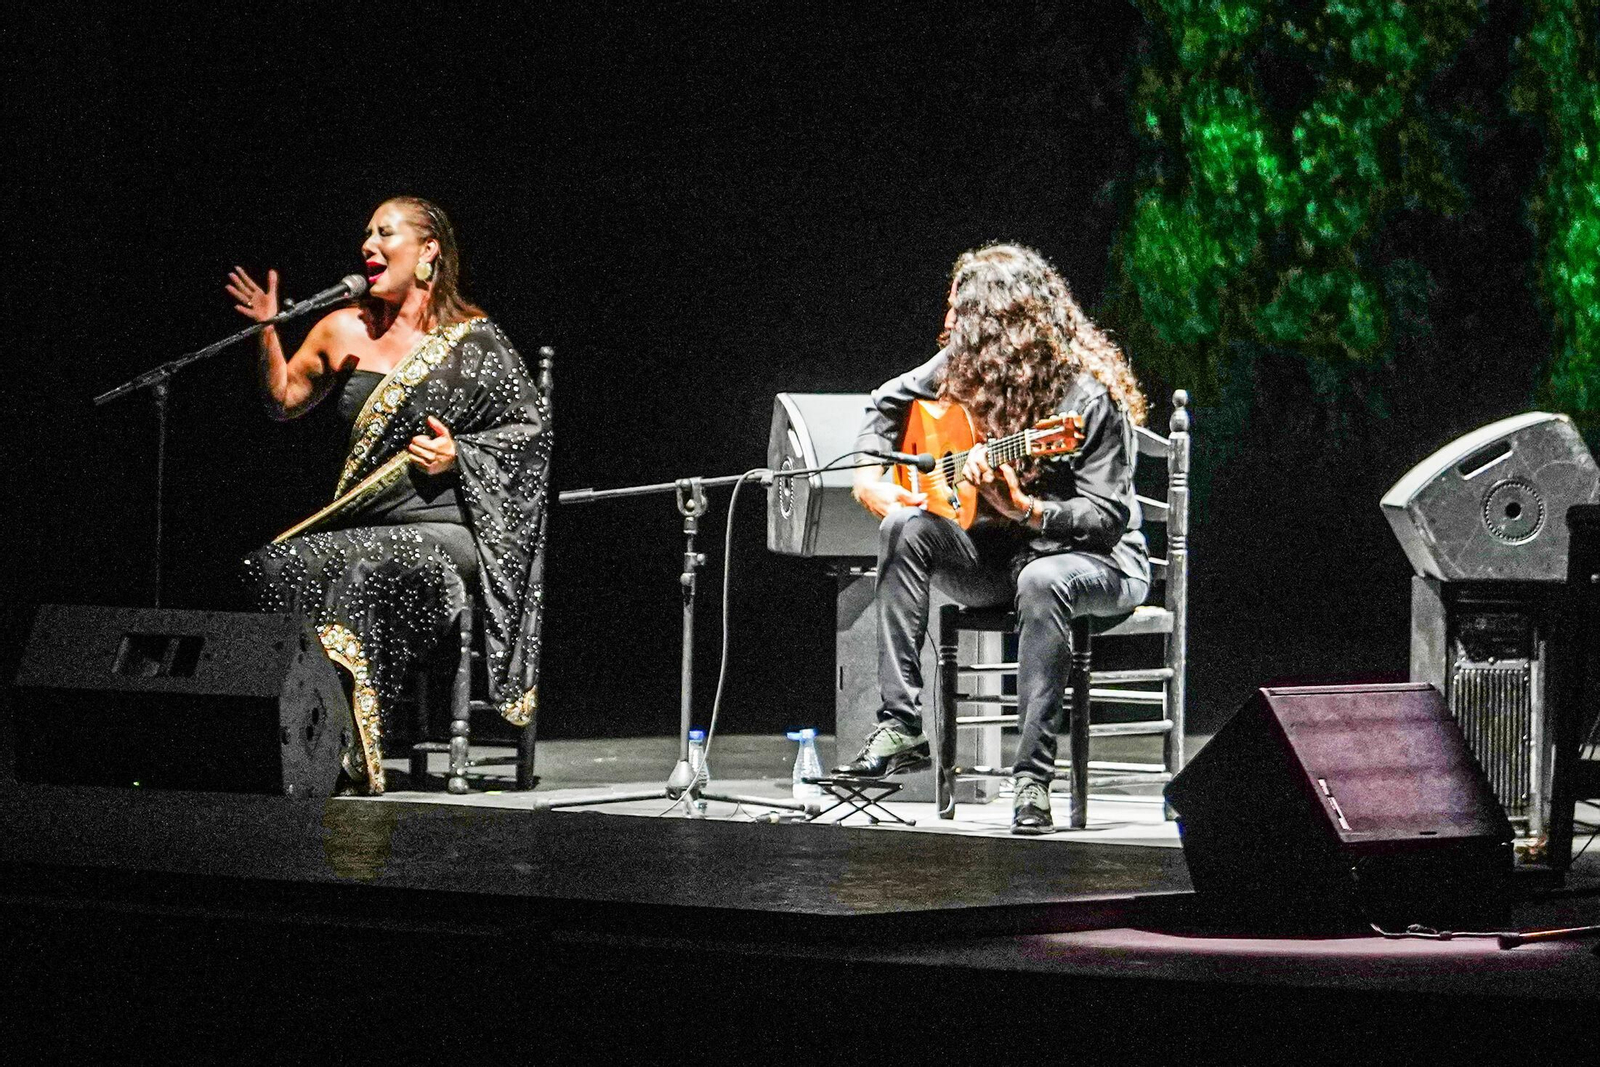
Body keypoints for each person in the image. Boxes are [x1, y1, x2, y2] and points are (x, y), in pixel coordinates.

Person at [231, 196, 551, 794]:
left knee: (370, 561)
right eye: (365, 237)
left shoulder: (474, 341)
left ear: (428, 251)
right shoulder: (342, 328)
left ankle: (353, 751)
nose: (368, 247)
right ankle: (296, 740)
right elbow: (282, 400)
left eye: (385, 234)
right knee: (268, 565)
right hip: (366, 520)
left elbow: (529, 439)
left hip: (451, 527)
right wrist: (267, 330)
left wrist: (463, 455)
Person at [835, 243, 1150, 834]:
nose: (948, 324)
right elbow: (883, 404)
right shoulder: (963, 365)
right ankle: (902, 722)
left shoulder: (1086, 397)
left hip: (1098, 564)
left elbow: (1107, 516)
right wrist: (868, 479)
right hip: (1006, 560)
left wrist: (1026, 509)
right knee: (904, 525)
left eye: (961, 313)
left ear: (1000, 325)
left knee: (1042, 578)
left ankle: (1031, 779)